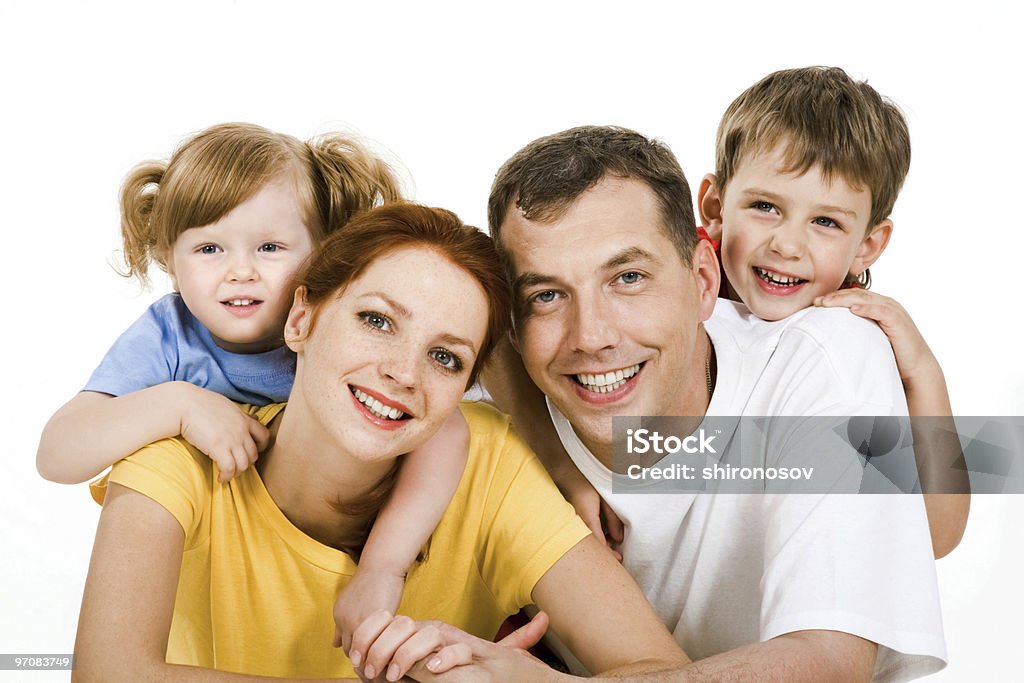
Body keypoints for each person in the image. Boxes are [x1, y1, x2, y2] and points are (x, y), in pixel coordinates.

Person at [73, 203, 690, 681]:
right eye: (376, 321)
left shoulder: (487, 467)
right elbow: (109, 676)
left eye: (445, 358)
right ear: (301, 319)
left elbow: (662, 670)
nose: (403, 372)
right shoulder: (174, 464)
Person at [483, 125, 947, 680]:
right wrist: (553, 457)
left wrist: (925, 373)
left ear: (703, 280)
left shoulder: (831, 352)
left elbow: (832, 661)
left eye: (628, 278)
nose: (591, 336)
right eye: (547, 295)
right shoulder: (466, 396)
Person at [36, 123, 473, 649]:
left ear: (323, 253)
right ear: (169, 260)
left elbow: (449, 427)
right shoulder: (169, 335)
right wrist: (177, 404)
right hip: (227, 571)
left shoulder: (341, 329)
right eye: (208, 249)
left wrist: (383, 567)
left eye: (269, 246)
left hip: (352, 552)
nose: (239, 272)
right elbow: (57, 453)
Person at [697, 66, 968, 557]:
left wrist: (922, 372)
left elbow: (935, 534)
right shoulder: (670, 285)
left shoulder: (851, 343)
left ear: (867, 245)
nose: (787, 244)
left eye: (825, 221)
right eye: (764, 206)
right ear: (715, 207)